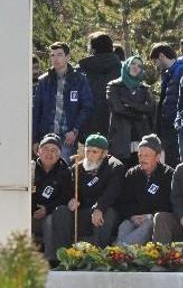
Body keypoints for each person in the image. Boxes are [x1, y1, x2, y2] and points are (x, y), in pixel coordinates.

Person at [50, 134, 124, 253]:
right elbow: (66, 190)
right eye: (87, 151)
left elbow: (112, 192)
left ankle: (99, 257)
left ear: (104, 153)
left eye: (94, 152)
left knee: (106, 214)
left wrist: (99, 208)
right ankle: (64, 257)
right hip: (83, 211)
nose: (89, 155)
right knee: (61, 211)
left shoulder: (115, 167)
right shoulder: (77, 169)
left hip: (104, 210)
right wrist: (70, 200)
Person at [33, 42, 94, 163]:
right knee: (44, 172)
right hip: (46, 136)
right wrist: (35, 139)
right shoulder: (43, 81)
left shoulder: (79, 79)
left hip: (67, 137)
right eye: (52, 55)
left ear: (67, 57)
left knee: (65, 172)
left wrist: (75, 130)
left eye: (59, 54)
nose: (55, 58)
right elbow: (36, 112)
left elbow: (87, 107)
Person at [115, 134, 174, 245]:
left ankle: (119, 251)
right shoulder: (132, 173)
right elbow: (123, 201)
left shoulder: (169, 174)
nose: (142, 159)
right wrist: (132, 216)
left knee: (148, 226)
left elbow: (168, 204)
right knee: (124, 226)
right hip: (134, 217)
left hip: (153, 218)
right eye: (140, 155)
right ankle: (121, 253)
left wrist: (149, 216)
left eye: (146, 156)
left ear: (157, 157)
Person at [106, 56, 155, 167]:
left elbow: (150, 109)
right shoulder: (114, 86)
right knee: (120, 171)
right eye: (133, 64)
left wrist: (130, 104)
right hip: (121, 137)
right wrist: (140, 113)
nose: (135, 67)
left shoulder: (145, 88)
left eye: (139, 66)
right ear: (127, 65)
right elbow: (118, 108)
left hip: (141, 136)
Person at [32, 133, 73, 261]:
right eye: (45, 149)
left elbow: (65, 197)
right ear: (38, 151)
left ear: (60, 154)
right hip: (27, 213)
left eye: (54, 150)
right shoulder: (29, 168)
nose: (49, 153)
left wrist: (47, 209)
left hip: (48, 214)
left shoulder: (65, 171)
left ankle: (51, 260)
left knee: (51, 220)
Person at [77, 31, 122, 139]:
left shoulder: (80, 71)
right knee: (112, 156)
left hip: (86, 125)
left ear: (92, 49)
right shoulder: (122, 70)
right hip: (115, 125)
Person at [149, 42, 183, 167]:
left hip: (176, 126)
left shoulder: (180, 70)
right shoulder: (170, 73)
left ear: (161, 56)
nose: (156, 65)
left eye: (155, 61)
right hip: (170, 126)